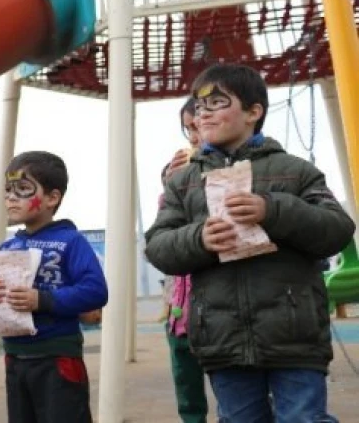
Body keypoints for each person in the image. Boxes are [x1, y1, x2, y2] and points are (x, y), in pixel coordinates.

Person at [145, 63, 354, 423]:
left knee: (302, 419)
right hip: (222, 337)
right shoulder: (184, 183)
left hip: (293, 333)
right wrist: (200, 237)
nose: (203, 113)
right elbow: (158, 246)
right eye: (198, 106)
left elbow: (337, 228)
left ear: (253, 112)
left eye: (217, 102)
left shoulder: (294, 170)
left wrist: (272, 210)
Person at [0, 151, 108, 423]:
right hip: (14, 360)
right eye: (8, 190)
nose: (11, 197)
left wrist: (43, 300)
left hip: (57, 357)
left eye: (23, 189)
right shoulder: (8, 246)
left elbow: (96, 290)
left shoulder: (71, 242)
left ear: (52, 198)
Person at [156, 97, 209, 423]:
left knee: (241, 391)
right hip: (180, 309)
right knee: (187, 387)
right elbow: (163, 239)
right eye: (188, 127)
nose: (193, 136)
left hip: (217, 308)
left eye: (198, 124)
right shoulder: (177, 178)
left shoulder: (243, 170)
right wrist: (173, 186)